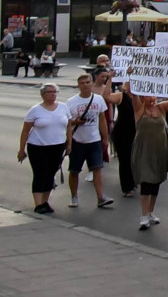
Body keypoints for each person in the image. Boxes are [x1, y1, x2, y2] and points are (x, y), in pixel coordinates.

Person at [17, 83, 70, 214]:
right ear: (42, 95)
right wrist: (21, 149)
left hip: (57, 146)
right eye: (49, 92)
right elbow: (25, 131)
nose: (53, 94)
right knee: (40, 173)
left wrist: (69, 144)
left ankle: (45, 202)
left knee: (51, 174)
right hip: (38, 147)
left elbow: (69, 126)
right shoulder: (35, 110)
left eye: (55, 92)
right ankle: (38, 204)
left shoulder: (63, 107)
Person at [64, 73, 114, 209]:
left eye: (87, 82)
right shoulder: (71, 102)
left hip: (94, 140)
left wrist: (105, 138)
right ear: (78, 85)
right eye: (82, 83)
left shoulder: (98, 99)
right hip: (77, 140)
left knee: (97, 168)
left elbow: (102, 119)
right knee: (74, 170)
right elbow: (67, 123)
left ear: (91, 83)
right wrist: (76, 122)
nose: (85, 85)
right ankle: (74, 197)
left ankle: (100, 197)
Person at [131, 93, 168, 230]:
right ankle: (144, 216)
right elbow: (134, 95)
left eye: (153, 96)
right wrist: (130, 75)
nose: (151, 99)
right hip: (144, 151)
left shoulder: (161, 108)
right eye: (147, 96)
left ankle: (150, 212)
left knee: (156, 181)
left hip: (159, 152)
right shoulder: (139, 110)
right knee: (146, 181)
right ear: (142, 97)